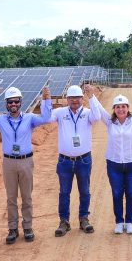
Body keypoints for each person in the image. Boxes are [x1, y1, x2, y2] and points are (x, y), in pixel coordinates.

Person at [0, 85, 52, 244]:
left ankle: (27, 227)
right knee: (11, 198)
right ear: (6, 104)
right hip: (9, 162)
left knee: (27, 197)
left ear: (20, 102)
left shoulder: (30, 118)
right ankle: (12, 229)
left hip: (26, 161)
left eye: (16, 102)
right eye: (10, 102)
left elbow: (46, 118)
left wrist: (47, 100)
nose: (13, 104)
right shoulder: (0, 119)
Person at [88, 85, 132, 234]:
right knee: (116, 193)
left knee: (131, 193)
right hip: (114, 164)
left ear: (128, 108)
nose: (121, 109)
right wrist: (91, 96)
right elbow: (99, 108)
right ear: (114, 109)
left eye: (123, 107)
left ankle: (129, 222)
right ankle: (118, 222)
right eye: (117, 107)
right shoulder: (109, 122)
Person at [49, 84, 101, 236]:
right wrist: (46, 100)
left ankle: (84, 219)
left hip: (83, 160)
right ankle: (64, 222)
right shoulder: (60, 112)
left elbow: (97, 117)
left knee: (84, 191)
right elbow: (46, 117)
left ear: (81, 99)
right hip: (65, 160)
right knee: (64, 192)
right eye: (71, 98)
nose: (74, 101)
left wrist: (92, 97)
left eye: (77, 97)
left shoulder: (87, 113)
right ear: (67, 99)